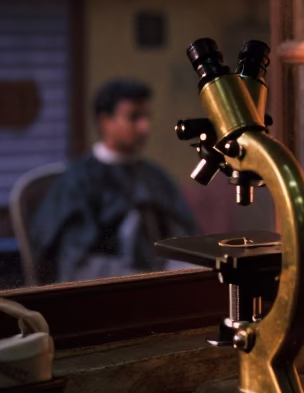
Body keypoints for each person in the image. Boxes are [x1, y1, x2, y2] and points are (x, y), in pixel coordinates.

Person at [30, 79, 197, 283]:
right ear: (106, 122)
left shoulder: (155, 177)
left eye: (146, 117)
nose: (145, 127)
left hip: (161, 277)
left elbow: (185, 238)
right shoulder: (79, 182)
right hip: (108, 285)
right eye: (134, 117)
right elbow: (75, 262)